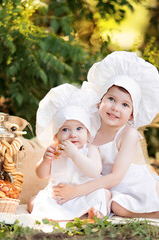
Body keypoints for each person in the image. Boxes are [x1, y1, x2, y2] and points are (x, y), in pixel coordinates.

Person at [51, 51, 159, 225]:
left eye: (125, 104)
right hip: (115, 190)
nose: (115, 108)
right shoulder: (89, 131)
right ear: (99, 102)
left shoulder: (128, 134)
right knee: (118, 208)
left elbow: (117, 176)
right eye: (111, 99)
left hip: (138, 184)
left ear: (132, 115)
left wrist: (76, 191)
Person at [28, 83, 110, 221]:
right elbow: (41, 175)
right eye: (65, 130)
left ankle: (94, 213)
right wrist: (46, 161)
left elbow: (94, 171)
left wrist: (75, 154)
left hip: (84, 195)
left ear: (88, 132)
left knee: (104, 194)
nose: (73, 135)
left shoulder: (90, 149)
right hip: (59, 197)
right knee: (33, 201)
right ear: (55, 135)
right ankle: (62, 215)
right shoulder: (55, 150)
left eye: (79, 129)